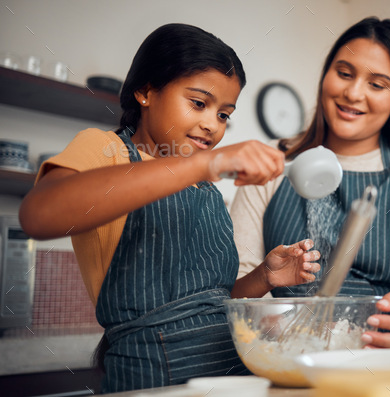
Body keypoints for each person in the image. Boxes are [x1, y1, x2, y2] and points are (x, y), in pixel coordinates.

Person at [18, 23, 320, 393]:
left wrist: (263, 278)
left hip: (232, 372)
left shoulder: (206, 189)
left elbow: (210, 307)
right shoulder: (105, 149)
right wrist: (203, 164)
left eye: (224, 114)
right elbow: (38, 214)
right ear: (145, 91)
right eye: (198, 103)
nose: (212, 125)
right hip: (151, 376)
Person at [230, 17, 390, 348]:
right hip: (281, 352)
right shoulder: (274, 163)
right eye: (344, 73)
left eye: (377, 84)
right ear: (326, 75)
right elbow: (237, 281)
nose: (353, 93)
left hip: (380, 354)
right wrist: (266, 318)